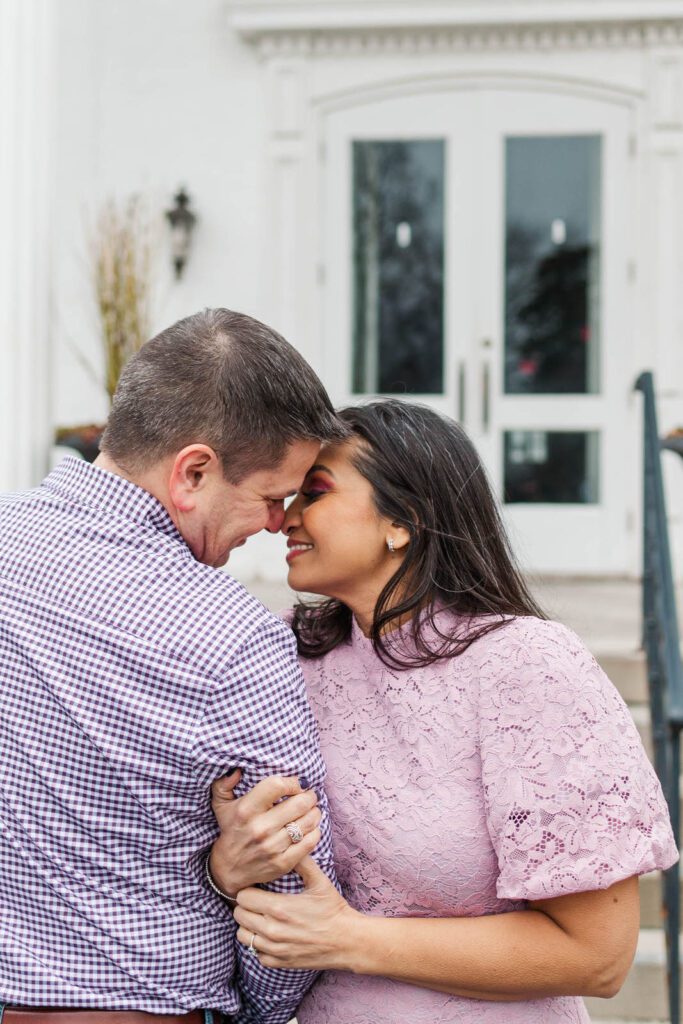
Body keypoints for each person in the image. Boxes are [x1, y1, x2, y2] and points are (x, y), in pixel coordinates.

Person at [215, 399, 678, 1023]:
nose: (285, 519)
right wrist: (226, 868)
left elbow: (597, 955)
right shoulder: (285, 659)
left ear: (402, 520)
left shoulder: (527, 666)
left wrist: (351, 939)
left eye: (315, 494)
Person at [0, 309, 350, 1024]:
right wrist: (257, 1006)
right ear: (192, 471)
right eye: (271, 496)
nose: (279, 523)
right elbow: (290, 893)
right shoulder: (233, 638)